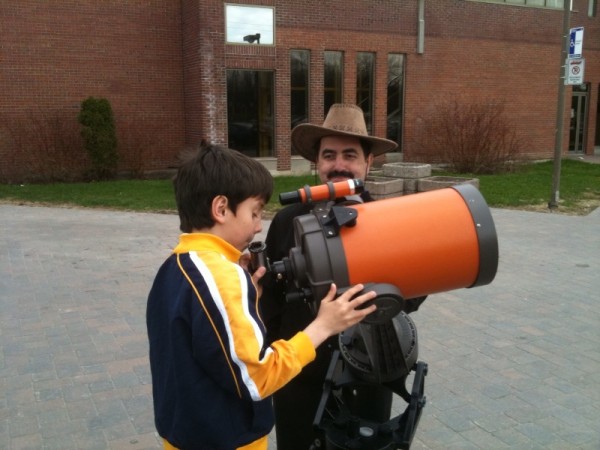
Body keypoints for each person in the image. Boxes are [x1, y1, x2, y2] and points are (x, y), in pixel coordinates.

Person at [146, 143, 378, 450]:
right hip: (226, 439)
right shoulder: (223, 278)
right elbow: (256, 378)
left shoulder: (173, 267)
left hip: (183, 433)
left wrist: (248, 299)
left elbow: (209, 343)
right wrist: (323, 326)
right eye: (254, 213)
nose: (258, 226)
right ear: (221, 208)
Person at [261, 104, 427, 450]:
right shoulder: (286, 221)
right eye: (329, 155)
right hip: (300, 378)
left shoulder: (389, 220)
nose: (338, 165)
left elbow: (410, 298)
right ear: (317, 163)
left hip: (369, 377)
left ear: (368, 163)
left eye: (350, 155)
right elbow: (270, 305)